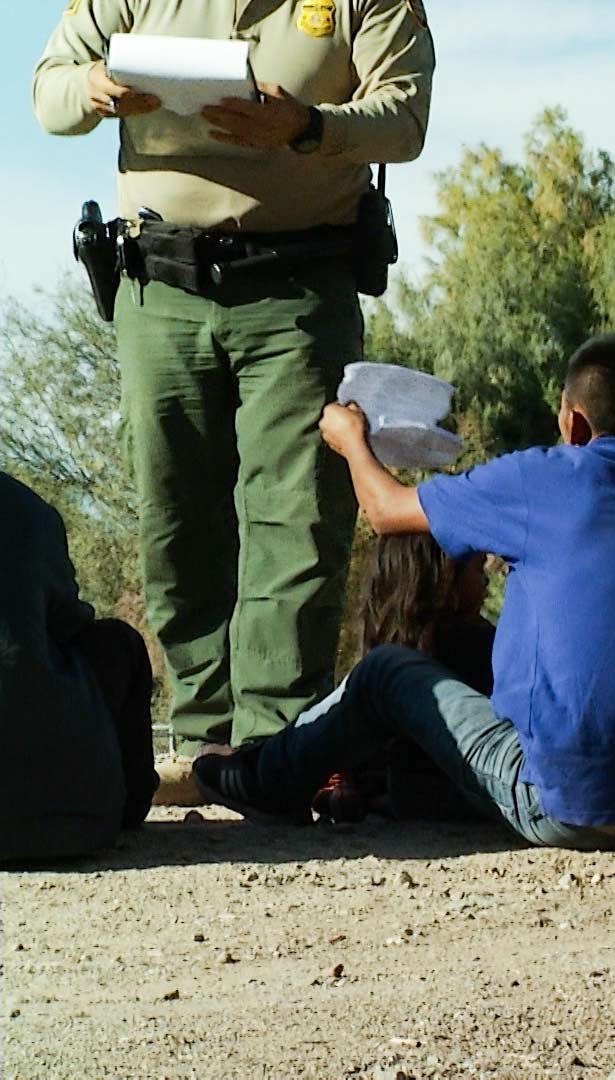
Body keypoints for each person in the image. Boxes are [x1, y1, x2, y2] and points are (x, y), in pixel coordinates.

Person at [32, 1, 436, 768]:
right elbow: (46, 93)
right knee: (175, 517)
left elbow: (405, 117)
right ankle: (202, 737)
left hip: (300, 286)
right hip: (161, 290)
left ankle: (274, 749)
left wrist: (310, 127)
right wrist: (90, 86)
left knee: (300, 518)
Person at [194, 335, 615, 850]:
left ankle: (265, 780)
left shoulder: (545, 479)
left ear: (573, 423)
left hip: (573, 808)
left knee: (387, 673)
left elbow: (386, 512)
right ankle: (400, 793)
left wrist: (351, 443)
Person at [0, 471, 158, 861]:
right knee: (117, 642)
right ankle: (124, 799)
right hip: (72, 822)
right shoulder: (28, 509)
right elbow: (70, 624)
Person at [305, 534, 495, 822]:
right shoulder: (481, 649)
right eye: (478, 570)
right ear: (444, 580)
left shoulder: (375, 665)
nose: (487, 585)